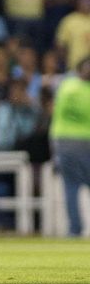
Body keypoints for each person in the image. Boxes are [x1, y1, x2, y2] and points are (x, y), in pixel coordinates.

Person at [50, 56, 90, 237]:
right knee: (72, 187)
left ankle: (75, 229)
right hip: (78, 142)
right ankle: (74, 228)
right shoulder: (73, 87)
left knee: (71, 187)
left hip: (64, 141)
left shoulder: (67, 85)